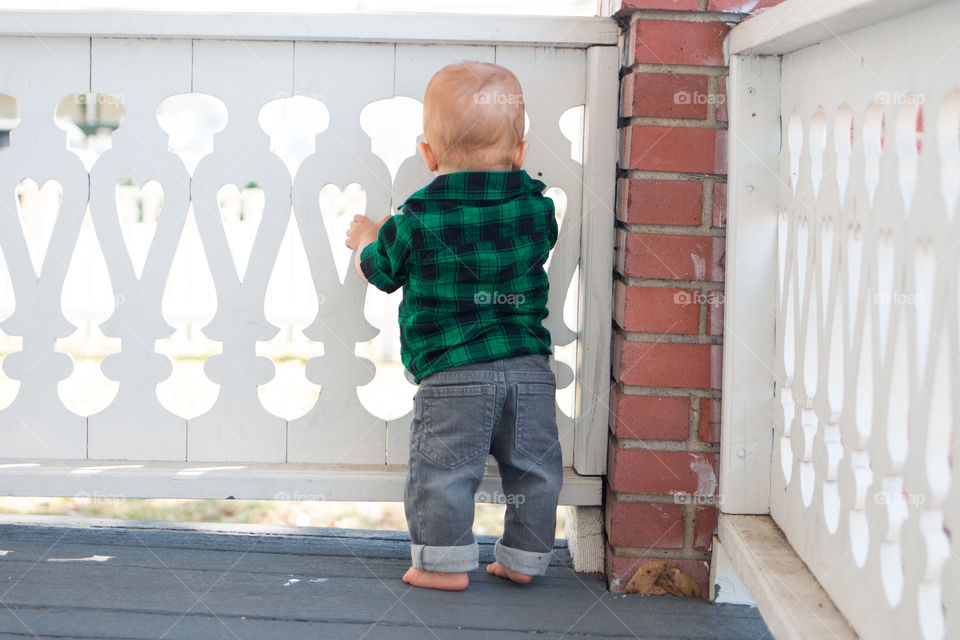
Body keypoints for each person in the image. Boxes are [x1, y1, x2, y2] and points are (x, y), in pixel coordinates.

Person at [345, 61, 561, 591]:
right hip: (530, 372)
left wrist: (368, 237)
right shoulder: (536, 209)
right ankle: (524, 561)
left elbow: (382, 271)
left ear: (428, 155)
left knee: (443, 474)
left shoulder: (416, 218)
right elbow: (541, 239)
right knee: (535, 474)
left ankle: (441, 564)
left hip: (453, 375)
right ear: (521, 152)